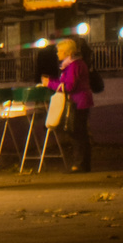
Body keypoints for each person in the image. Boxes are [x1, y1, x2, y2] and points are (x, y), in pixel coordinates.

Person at [42, 37, 94, 172]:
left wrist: (49, 84)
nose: (57, 53)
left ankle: (79, 164)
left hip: (78, 101)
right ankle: (82, 164)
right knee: (79, 132)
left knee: (77, 133)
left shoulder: (74, 66)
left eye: (59, 51)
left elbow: (69, 86)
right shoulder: (75, 64)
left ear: (66, 52)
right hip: (81, 100)